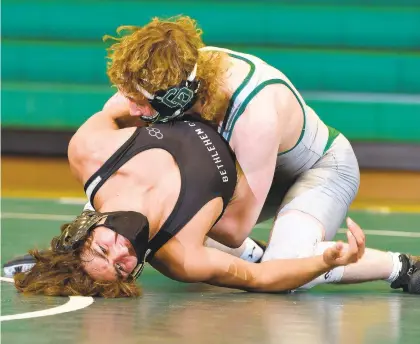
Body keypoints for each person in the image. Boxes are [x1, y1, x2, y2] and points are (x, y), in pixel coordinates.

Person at [96, 16, 419, 292]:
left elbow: (235, 229)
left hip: (318, 169)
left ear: (178, 95)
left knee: (285, 268)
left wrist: (167, 208)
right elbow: (107, 128)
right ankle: (258, 254)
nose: (132, 108)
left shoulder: (252, 114)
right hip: (244, 170)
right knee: (121, 213)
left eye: (140, 101)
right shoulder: (169, 72)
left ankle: (399, 266)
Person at [12, 109, 366, 297]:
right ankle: (402, 269)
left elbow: (125, 99)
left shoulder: (90, 153)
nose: (121, 252)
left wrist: (170, 94)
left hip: (298, 142)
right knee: (283, 261)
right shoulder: (182, 256)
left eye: (103, 250)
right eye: (121, 267)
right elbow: (262, 279)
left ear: (84, 230)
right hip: (287, 179)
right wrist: (322, 260)